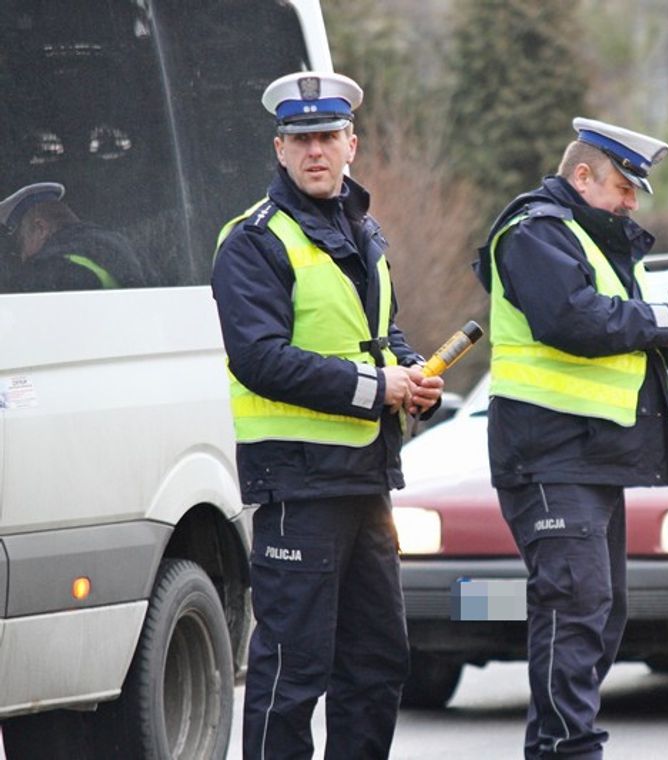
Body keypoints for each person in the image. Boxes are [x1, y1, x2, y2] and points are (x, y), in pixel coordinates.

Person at [211, 70, 444, 759]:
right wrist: (380, 386)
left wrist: (415, 374)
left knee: (377, 666)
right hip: (298, 486)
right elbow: (260, 359)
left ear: (353, 146)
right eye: (300, 139)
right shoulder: (253, 241)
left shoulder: (364, 231)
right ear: (280, 152)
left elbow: (381, 334)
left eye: (328, 137)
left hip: (366, 483)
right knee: (292, 672)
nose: (315, 150)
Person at [473, 117, 668, 759]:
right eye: (623, 187)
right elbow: (573, 319)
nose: (630, 202)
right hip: (549, 455)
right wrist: (659, 321)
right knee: (575, 605)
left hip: (588, 458)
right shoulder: (537, 231)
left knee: (600, 609)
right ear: (582, 174)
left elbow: (627, 340)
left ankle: (554, 748)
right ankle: (570, 750)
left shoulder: (597, 243)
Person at [0, 181, 148, 292]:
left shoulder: (53, 267)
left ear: (41, 228)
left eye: (21, 243)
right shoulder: (124, 246)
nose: (22, 256)